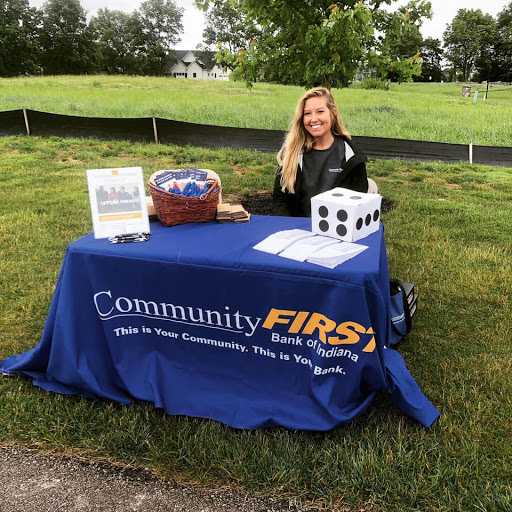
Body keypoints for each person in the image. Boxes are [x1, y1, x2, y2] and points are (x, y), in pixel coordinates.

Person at [272, 87, 374, 217]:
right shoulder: (291, 153)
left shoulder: (352, 155)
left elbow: (359, 203)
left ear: (333, 113)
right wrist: (287, 227)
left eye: (320, 111)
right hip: (298, 230)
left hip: (337, 233)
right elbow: (280, 200)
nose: (313, 119)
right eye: (307, 113)